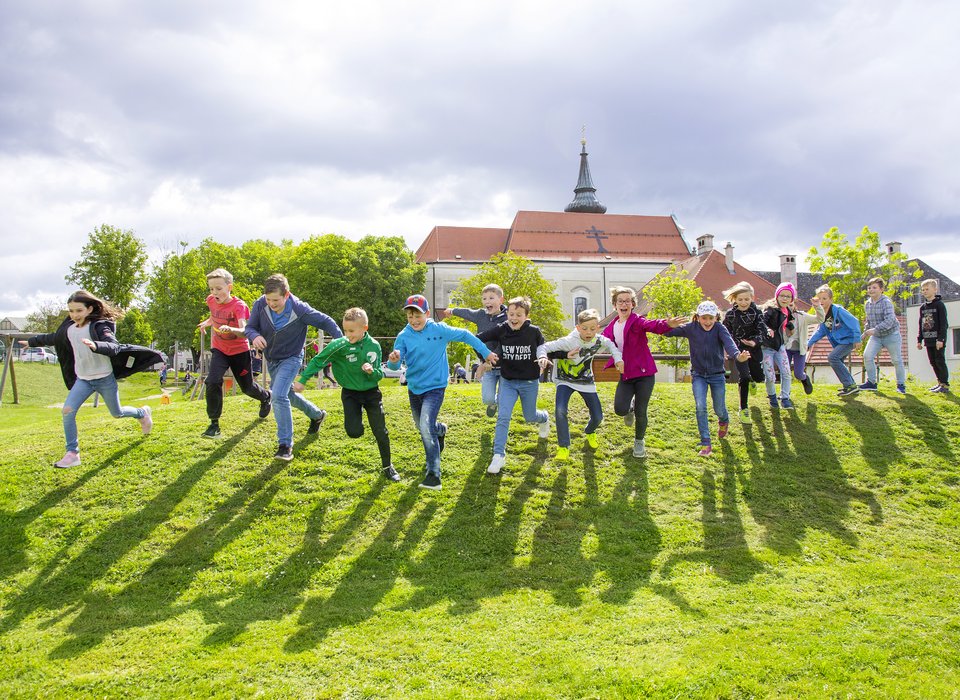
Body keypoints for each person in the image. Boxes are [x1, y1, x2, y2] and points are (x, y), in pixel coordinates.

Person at [21, 290, 160, 468]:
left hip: (104, 378)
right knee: (67, 411)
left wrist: (96, 345)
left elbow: (113, 346)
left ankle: (142, 413)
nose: (74, 315)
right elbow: (54, 338)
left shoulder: (100, 326)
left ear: (89, 309)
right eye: (71, 311)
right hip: (83, 380)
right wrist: (31, 342)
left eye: (78, 311)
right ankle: (72, 453)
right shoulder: (69, 329)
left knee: (117, 413)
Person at [387, 294, 496, 490]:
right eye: (410, 316)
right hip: (415, 388)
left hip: (436, 387)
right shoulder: (403, 336)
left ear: (427, 314)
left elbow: (465, 335)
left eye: (418, 315)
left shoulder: (439, 329)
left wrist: (485, 352)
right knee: (424, 427)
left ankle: (433, 475)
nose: (414, 320)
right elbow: (394, 366)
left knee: (425, 427)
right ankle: (440, 430)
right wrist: (394, 360)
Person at [293, 308, 399, 482]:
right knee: (354, 432)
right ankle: (358, 425)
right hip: (350, 394)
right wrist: (303, 380)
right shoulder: (340, 345)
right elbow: (319, 360)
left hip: (372, 393)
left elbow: (380, 374)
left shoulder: (374, 346)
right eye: (345, 330)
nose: (347, 335)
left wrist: (372, 371)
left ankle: (388, 466)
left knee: (380, 430)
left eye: (351, 331)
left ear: (364, 328)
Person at [244, 273, 343, 461]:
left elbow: (326, 321)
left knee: (278, 395)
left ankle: (285, 446)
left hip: (292, 357)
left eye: (276, 300)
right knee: (287, 394)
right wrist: (254, 336)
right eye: (268, 299)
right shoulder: (260, 304)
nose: (271, 304)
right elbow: (250, 328)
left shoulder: (300, 309)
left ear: (286, 295)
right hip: (272, 359)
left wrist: (342, 341)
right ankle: (317, 415)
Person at [600, 286, 685, 458]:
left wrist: (667, 324)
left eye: (627, 301)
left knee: (641, 410)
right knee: (619, 409)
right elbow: (599, 340)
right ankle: (628, 410)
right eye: (620, 301)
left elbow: (651, 325)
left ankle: (639, 442)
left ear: (632, 304)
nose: (624, 304)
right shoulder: (611, 326)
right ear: (615, 305)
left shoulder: (636, 321)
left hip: (644, 375)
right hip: (626, 375)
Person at [475, 296, 550, 474]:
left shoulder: (534, 331)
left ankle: (544, 418)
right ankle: (498, 455)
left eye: (518, 314)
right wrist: (485, 357)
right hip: (508, 382)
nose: (514, 318)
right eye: (511, 314)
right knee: (503, 416)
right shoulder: (502, 329)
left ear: (526, 315)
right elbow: (477, 339)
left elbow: (542, 346)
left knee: (530, 416)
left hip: (529, 382)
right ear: (506, 313)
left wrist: (543, 357)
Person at [537, 309, 623, 462]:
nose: (588, 332)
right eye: (584, 329)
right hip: (565, 380)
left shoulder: (599, 340)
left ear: (597, 328)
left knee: (598, 417)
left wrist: (618, 360)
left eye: (592, 328)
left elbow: (613, 347)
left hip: (586, 381)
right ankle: (563, 446)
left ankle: (590, 431)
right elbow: (543, 347)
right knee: (560, 410)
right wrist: (543, 357)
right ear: (578, 328)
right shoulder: (569, 341)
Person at [666, 301, 749, 457]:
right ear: (697, 318)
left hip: (717, 375)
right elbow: (669, 333)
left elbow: (729, 344)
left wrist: (738, 356)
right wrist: (667, 324)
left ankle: (724, 420)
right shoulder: (692, 328)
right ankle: (705, 443)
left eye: (711, 318)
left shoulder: (719, 328)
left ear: (716, 317)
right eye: (704, 318)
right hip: (698, 375)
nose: (708, 322)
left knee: (719, 408)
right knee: (700, 406)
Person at [197, 268, 272, 438]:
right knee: (212, 381)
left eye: (219, 289)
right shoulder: (211, 301)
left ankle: (266, 397)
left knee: (247, 387)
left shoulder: (239, 306)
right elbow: (214, 317)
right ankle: (214, 424)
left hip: (239, 351)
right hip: (219, 349)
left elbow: (246, 330)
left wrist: (231, 328)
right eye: (211, 289)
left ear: (229, 287)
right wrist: (207, 323)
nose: (214, 293)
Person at [435, 284, 507, 417]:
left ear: (501, 300)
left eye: (491, 298)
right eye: (484, 299)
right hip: (486, 364)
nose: (487, 301)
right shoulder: (481, 315)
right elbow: (468, 312)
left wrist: (491, 361)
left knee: (505, 399)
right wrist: (452, 311)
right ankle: (493, 403)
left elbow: (505, 343)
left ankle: (502, 419)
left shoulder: (508, 318)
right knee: (487, 398)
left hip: (504, 365)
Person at [722, 281, 768, 424]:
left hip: (754, 348)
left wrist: (754, 342)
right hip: (738, 349)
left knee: (758, 377)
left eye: (746, 299)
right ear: (734, 299)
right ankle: (744, 409)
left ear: (752, 298)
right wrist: (725, 347)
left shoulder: (757, 312)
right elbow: (724, 332)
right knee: (744, 377)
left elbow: (763, 331)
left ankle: (754, 380)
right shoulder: (730, 314)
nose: (743, 302)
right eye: (740, 299)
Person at [806, 285, 862, 397]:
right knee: (837, 361)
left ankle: (850, 385)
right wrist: (809, 343)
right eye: (819, 298)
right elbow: (820, 331)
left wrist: (857, 339)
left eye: (824, 298)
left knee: (833, 357)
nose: (821, 301)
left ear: (831, 299)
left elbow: (854, 322)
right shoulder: (822, 314)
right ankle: (850, 386)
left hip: (848, 340)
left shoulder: (838, 311)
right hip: (840, 342)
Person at [859, 277, 906, 394]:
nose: (871, 290)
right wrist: (865, 333)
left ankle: (901, 385)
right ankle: (871, 383)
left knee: (896, 360)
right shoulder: (867, 304)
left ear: (881, 289)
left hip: (891, 334)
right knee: (867, 356)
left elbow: (890, 320)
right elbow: (869, 321)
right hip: (876, 336)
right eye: (869, 288)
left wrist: (874, 330)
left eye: (874, 287)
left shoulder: (886, 302)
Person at [760, 283, 796, 410]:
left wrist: (790, 327)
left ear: (791, 299)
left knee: (786, 372)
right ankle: (772, 396)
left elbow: (789, 320)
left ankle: (785, 398)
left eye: (788, 296)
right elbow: (762, 321)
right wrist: (768, 329)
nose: (784, 298)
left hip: (780, 346)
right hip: (766, 346)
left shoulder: (787, 310)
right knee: (770, 375)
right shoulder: (770, 309)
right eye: (782, 295)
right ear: (777, 296)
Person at [785, 293, 824, 396]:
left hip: (799, 349)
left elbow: (820, 319)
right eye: (787, 305)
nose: (789, 307)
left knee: (798, 374)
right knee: (785, 372)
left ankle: (805, 379)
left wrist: (817, 307)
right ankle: (785, 393)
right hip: (785, 348)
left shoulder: (802, 316)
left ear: (794, 305)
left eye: (791, 305)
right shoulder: (780, 316)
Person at [917, 278, 951, 393]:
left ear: (935, 289)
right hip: (928, 339)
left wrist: (941, 339)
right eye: (923, 289)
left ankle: (945, 384)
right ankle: (939, 382)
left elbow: (944, 324)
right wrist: (919, 339)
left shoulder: (939, 305)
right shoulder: (923, 307)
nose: (925, 291)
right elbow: (921, 324)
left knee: (939, 360)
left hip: (938, 340)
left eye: (927, 289)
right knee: (932, 361)